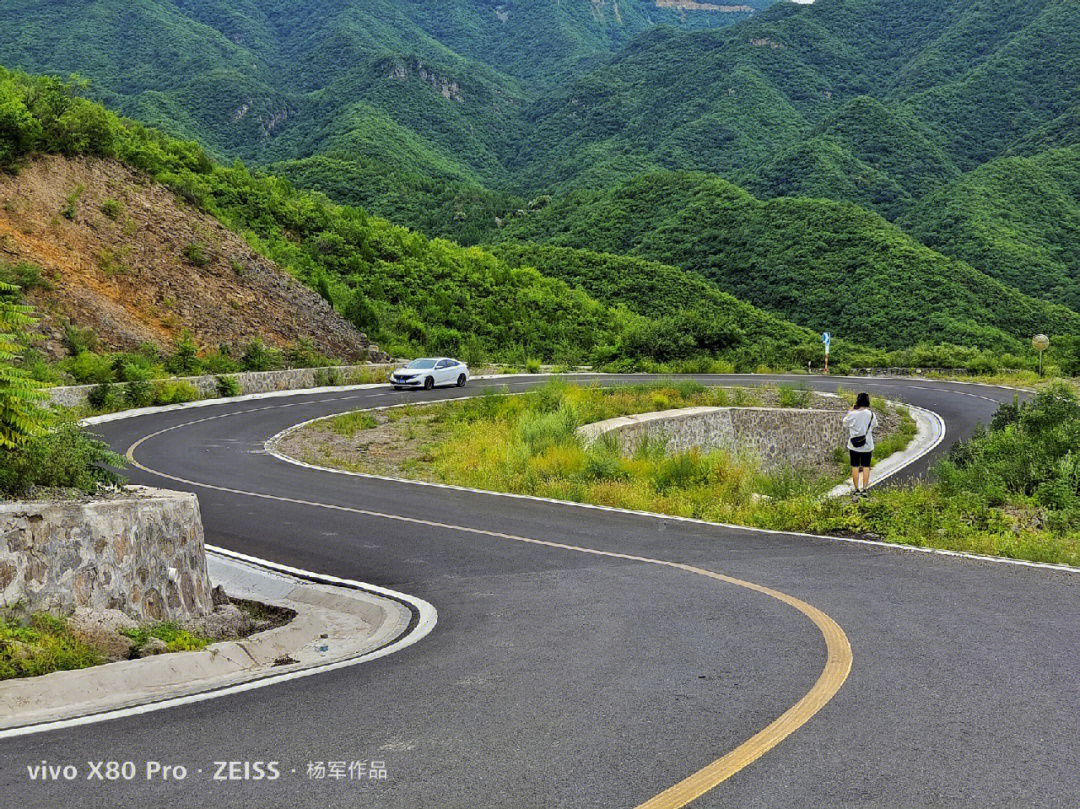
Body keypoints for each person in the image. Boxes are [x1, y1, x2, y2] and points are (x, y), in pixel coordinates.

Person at [842, 392, 878, 496]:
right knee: (866, 467)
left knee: (855, 467)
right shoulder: (871, 414)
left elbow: (845, 423)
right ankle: (864, 489)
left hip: (854, 445)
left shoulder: (852, 414)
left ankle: (856, 489)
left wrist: (850, 411)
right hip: (867, 445)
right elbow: (874, 425)